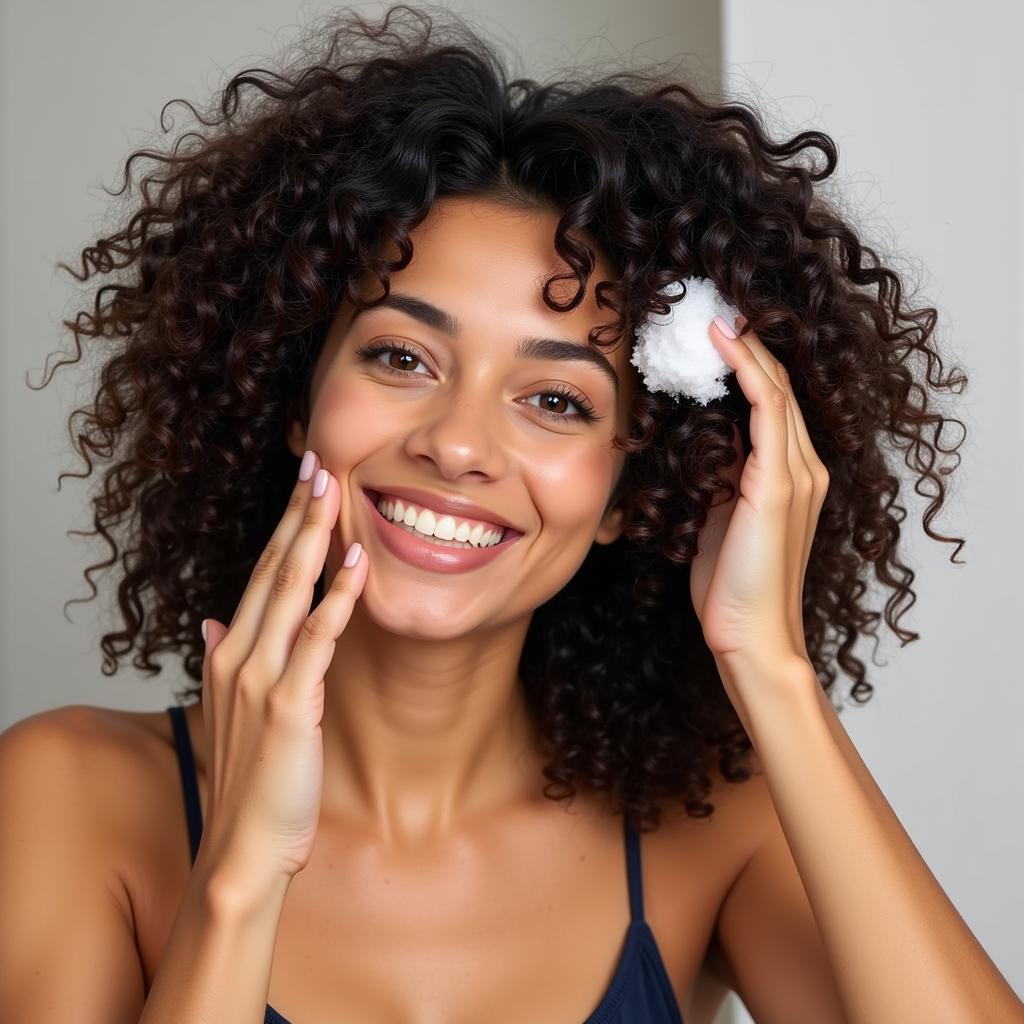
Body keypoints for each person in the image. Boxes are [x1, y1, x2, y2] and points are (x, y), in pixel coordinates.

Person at [2, 6, 1021, 1023]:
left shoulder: (709, 817)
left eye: (556, 400)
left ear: (634, 488)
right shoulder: (67, 798)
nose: (457, 445)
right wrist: (238, 878)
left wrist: (770, 667)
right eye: (401, 357)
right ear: (292, 400)